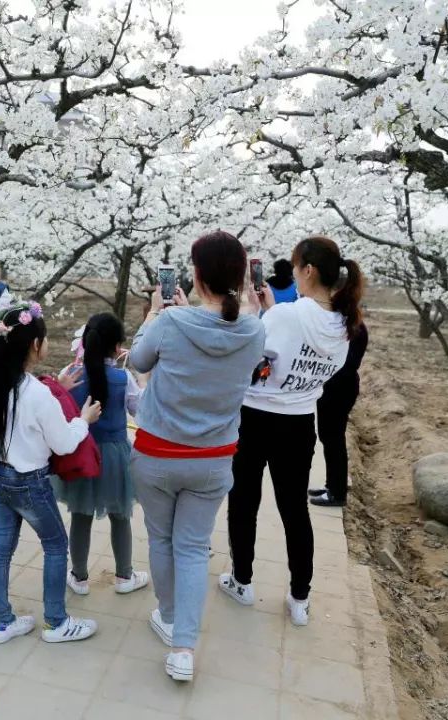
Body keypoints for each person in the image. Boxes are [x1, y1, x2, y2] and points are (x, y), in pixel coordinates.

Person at [128, 230, 266, 682]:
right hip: (213, 458)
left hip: (156, 453)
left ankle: (168, 618)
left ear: (196, 274)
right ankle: (183, 648)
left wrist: (155, 315)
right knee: (192, 547)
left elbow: (140, 363)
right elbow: (241, 340)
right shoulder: (254, 330)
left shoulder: (172, 321)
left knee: (162, 540)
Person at [222, 236, 365, 628]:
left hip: (255, 418)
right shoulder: (346, 323)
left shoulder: (285, 316)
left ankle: (242, 579)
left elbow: (253, 361)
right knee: (294, 511)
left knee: (244, 502)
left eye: (295, 265)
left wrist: (257, 314)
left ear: (308, 270)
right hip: (301, 422)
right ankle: (300, 597)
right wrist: (272, 313)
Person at [0, 302, 103, 645]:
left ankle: (1, 622)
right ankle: (56, 622)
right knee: (55, 545)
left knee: (2, 545)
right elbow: (63, 444)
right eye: (44, 338)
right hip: (28, 482)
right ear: (35, 345)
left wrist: (58, 386)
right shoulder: (37, 394)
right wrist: (83, 419)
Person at [54, 313, 149, 597]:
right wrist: (144, 384)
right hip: (116, 455)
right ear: (118, 348)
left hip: (82, 452)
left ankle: (79, 577)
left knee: (80, 515)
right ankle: (124, 576)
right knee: (121, 515)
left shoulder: (69, 375)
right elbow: (139, 411)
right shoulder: (123, 378)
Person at [310, 321, 369, 507]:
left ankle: (337, 493)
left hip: (339, 388)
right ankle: (332, 485)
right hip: (334, 387)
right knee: (329, 438)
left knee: (334, 439)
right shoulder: (350, 326)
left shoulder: (354, 328)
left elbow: (347, 363)